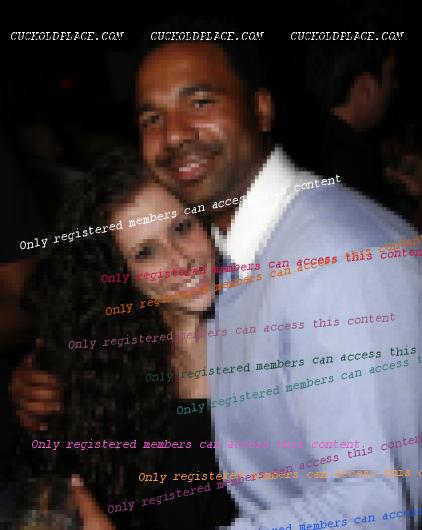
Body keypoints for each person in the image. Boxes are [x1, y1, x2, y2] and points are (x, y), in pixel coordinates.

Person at [13, 17, 421, 528]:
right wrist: (38, 388)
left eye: (200, 101)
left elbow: (376, 506)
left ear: (261, 108)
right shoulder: (234, 265)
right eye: (152, 118)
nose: (174, 133)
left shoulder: (335, 261)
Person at [12, 148, 235, 529]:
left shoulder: (269, 327)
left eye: (181, 228)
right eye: (146, 252)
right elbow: (54, 488)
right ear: (121, 273)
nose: (180, 260)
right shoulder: (103, 361)